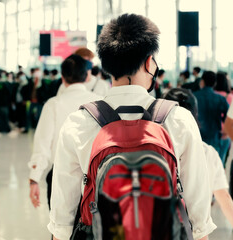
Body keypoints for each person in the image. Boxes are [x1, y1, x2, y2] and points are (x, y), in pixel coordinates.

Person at [48, 14, 215, 240]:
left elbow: (62, 212)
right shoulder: (178, 119)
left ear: (106, 67)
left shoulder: (78, 122)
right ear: (149, 63)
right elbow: (198, 207)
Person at [28, 54, 102, 210]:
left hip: (59, 175)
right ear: (87, 76)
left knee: (60, 229)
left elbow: (43, 144)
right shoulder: (100, 103)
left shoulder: (53, 104)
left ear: (62, 77)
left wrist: (34, 179)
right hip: (93, 177)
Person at [164, 88, 233, 228]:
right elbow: (224, 199)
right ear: (195, 115)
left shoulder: (155, 150)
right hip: (195, 232)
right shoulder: (208, 153)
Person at [194, 71, 229, 155]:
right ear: (215, 83)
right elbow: (228, 117)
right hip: (214, 138)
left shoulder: (194, 96)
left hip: (197, 138)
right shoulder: (221, 99)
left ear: (202, 81)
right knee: (213, 165)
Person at [215, 71, 233, 163]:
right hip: (226, 133)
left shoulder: (213, 95)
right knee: (221, 160)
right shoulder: (229, 97)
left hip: (213, 132)